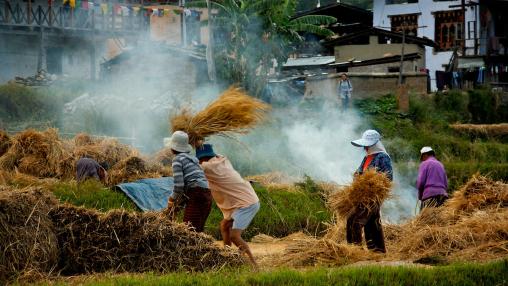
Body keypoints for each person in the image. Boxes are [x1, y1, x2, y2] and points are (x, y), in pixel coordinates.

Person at [196, 144, 260, 266]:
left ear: (202, 159)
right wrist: (200, 143)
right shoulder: (222, 160)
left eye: (199, 159)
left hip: (246, 203)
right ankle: (227, 256)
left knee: (234, 236)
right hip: (244, 198)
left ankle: (253, 265)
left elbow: (194, 167)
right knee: (225, 225)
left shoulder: (208, 167)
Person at [347, 129, 392, 253]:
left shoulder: (382, 157)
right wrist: (357, 176)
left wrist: (374, 184)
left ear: (374, 144)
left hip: (374, 195)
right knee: (372, 222)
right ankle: (377, 250)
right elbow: (359, 172)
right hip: (363, 195)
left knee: (355, 219)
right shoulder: (367, 158)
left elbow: (388, 178)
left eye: (367, 145)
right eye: (364, 146)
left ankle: (354, 250)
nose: (365, 148)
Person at [166, 131, 211, 232]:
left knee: (189, 231)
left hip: (196, 193)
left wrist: (171, 200)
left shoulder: (177, 160)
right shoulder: (193, 159)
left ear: (173, 148)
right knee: (198, 231)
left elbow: (179, 186)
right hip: (207, 192)